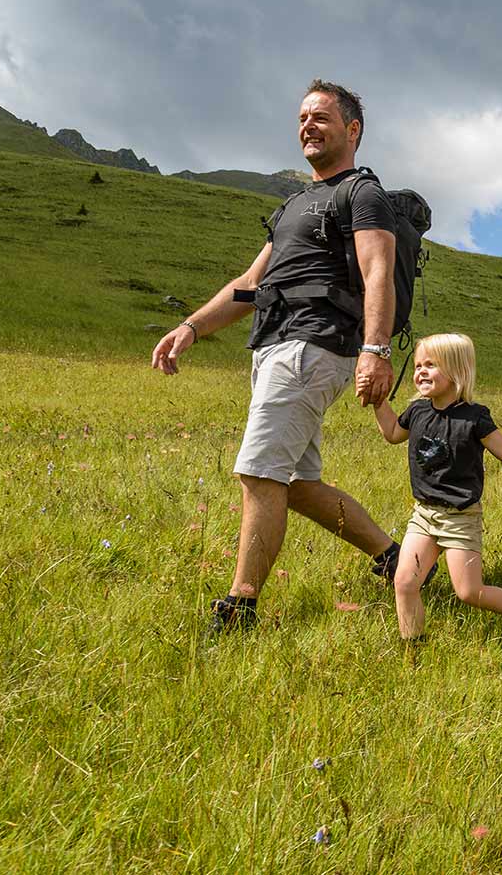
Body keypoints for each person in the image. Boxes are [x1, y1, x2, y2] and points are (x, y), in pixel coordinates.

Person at [150, 79, 403, 632]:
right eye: (302, 118)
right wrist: (191, 327)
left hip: (313, 345)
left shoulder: (362, 194)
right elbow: (248, 285)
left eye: (321, 117)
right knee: (294, 485)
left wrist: (375, 350)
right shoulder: (295, 204)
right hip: (275, 345)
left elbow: (377, 272)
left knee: (259, 473)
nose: (307, 126)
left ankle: (240, 605)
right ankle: (397, 560)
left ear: (352, 129)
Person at [365, 333, 502, 642]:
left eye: (431, 365)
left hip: (460, 518)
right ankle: (412, 648)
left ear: (456, 370)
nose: (420, 372)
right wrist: (378, 401)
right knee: (404, 582)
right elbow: (391, 432)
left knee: (469, 591)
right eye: (418, 366)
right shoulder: (417, 412)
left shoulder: (474, 417)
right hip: (424, 514)